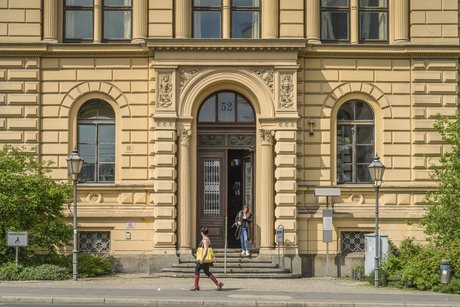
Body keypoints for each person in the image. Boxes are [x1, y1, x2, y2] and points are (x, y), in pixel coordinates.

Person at [191, 226, 224, 291]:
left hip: (203, 259)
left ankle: (196, 286)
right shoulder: (206, 238)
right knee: (207, 272)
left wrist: (202, 258)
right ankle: (218, 283)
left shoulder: (205, 239)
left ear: (202, 232)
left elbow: (206, 249)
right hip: (206, 259)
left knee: (197, 270)